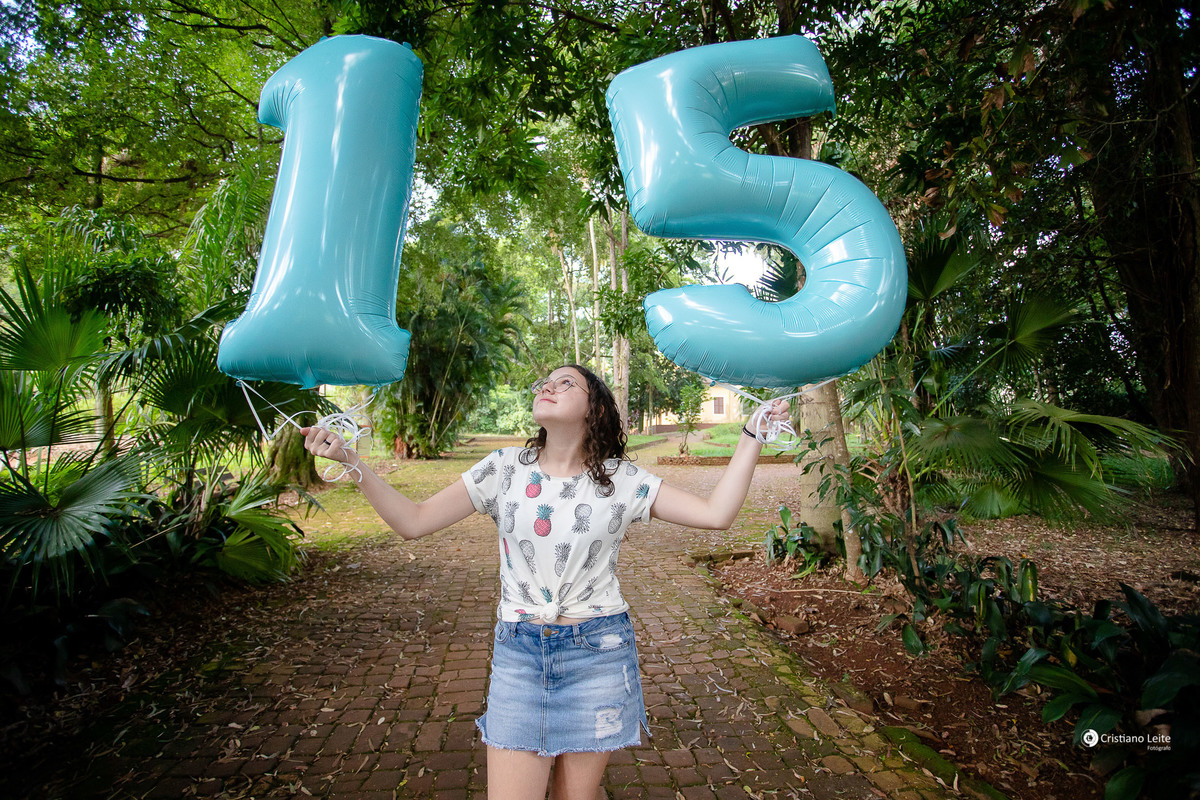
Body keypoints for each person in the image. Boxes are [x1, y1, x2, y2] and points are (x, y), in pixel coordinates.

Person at [302, 364, 789, 800]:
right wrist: (351, 461)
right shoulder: (502, 469)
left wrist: (753, 434)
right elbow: (413, 521)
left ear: (595, 408)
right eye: (545, 382)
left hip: (598, 654)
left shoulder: (622, 480)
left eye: (565, 382)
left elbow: (716, 514)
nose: (547, 387)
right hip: (519, 654)